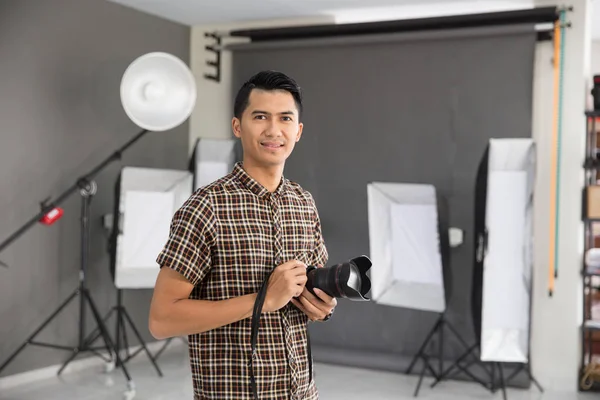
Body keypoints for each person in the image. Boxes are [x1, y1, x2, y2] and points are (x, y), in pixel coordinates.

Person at [149, 70, 337, 400]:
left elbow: (310, 294)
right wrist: (263, 300)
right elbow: (162, 319)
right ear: (238, 126)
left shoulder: (303, 203)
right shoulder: (205, 207)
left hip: (302, 393)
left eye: (285, 119)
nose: (274, 130)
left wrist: (322, 305)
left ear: (298, 131)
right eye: (260, 117)